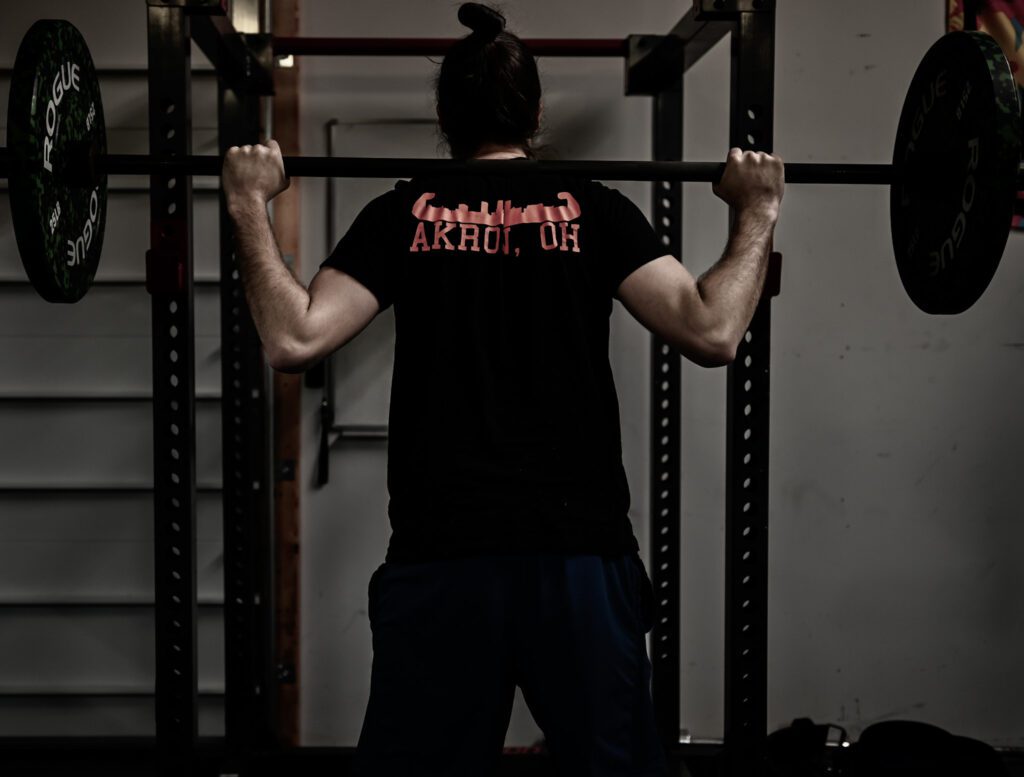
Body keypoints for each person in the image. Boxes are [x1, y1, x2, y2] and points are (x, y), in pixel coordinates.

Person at [222, 3, 783, 775]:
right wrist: (758, 211)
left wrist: (249, 201)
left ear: (446, 117)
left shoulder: (401, 213)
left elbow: (294, 336)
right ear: (537, 113)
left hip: (444, 560)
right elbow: (713, 329)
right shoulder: (595, 209)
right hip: (577, 560)